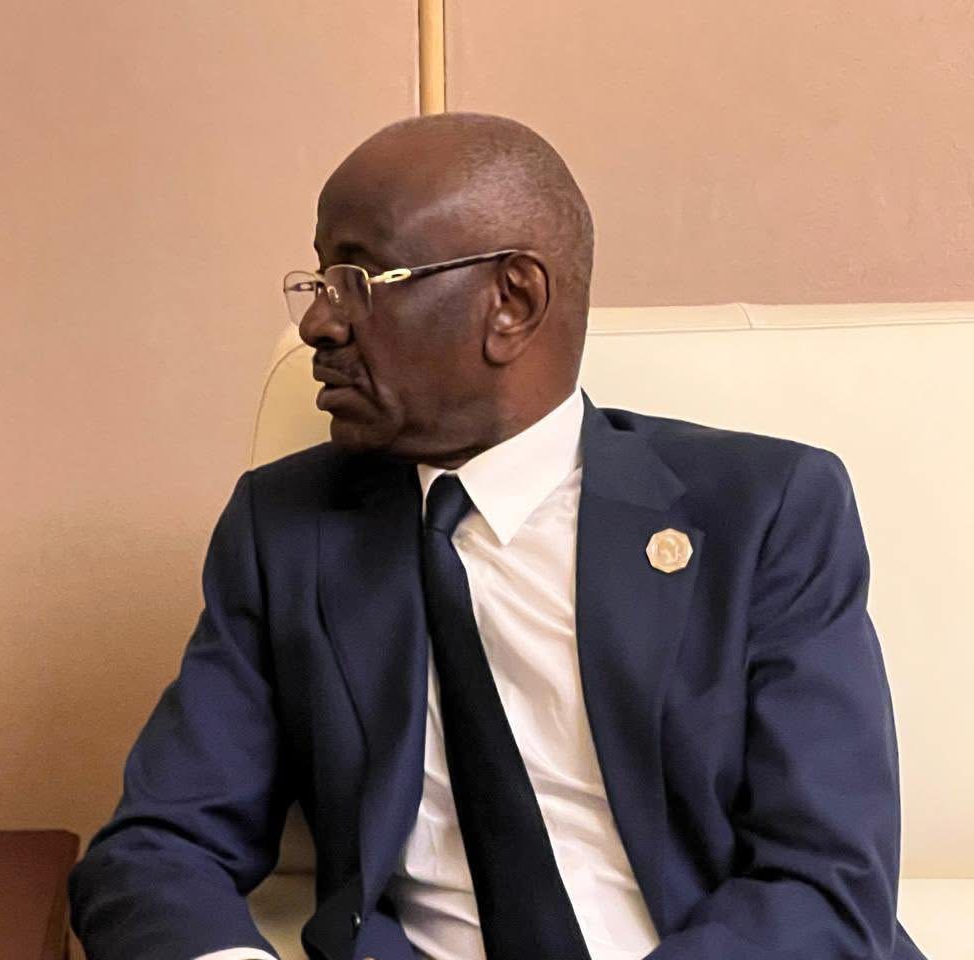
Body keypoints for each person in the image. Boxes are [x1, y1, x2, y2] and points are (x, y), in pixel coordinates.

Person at [67, 113, 927, 960]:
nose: (318, 325)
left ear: (512, 301)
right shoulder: (286, 530)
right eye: (319, 283)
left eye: (358, 279)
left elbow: (825, 883)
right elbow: (154, 852)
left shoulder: (764, 512)